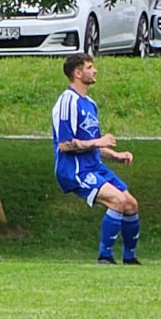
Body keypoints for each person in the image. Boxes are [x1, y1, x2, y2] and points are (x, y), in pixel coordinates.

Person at [52, 54, 141, 265]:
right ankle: (105, 256)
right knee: (117, 201)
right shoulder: (67, 102)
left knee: (131, 204)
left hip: (94, 165)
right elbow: (65, 145)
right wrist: (99, 142)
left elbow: (92, 143)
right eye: (90, 67)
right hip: (74, 169)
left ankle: (130, 259)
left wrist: (115, 155)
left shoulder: (89, 103)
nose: (95, 71)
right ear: (77, 73)